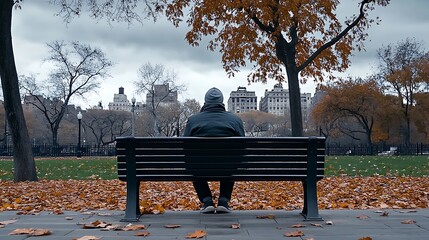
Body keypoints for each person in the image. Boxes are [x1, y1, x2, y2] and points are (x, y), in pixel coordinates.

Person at [183, 87, 245, 213]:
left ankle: (206, 201)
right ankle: (223, 200)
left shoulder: (193, 120)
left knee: (194, 162)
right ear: (222, 103)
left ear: (205, 103)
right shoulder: (235, 120)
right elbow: (243, 146)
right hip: (228, 167)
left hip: (200, 167)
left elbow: (185, 145)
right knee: (231, 160)